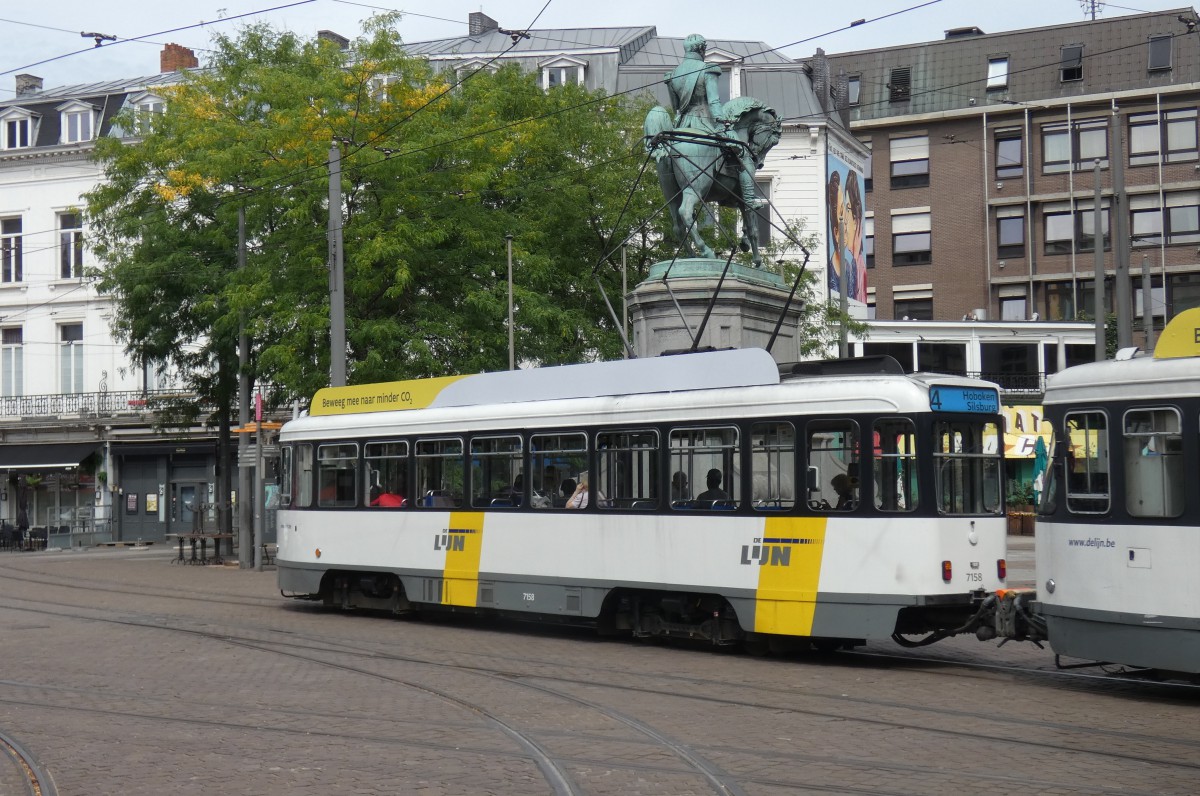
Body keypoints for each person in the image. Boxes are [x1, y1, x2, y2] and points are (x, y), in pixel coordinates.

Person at [665, 33, 763, 209]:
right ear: (701, 49)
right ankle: (749, 199)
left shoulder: (673, 75)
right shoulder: (707, 69)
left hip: (682, 125)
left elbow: (676, 108)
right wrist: (722, 124)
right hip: (705, 122)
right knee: (743, 152)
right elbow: (714, 102)